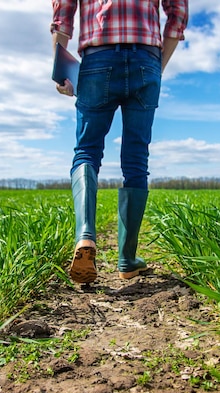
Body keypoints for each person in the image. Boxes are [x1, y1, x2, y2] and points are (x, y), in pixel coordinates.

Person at [51, 0, 188, 284]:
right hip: (146, 59)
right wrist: (157, 67)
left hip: (97, 59)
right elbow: (178, 15)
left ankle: (85, 234)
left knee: (87, 152)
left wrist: (59, 68)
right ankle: (127, 259)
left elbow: (63, 15)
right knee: (136, 160)